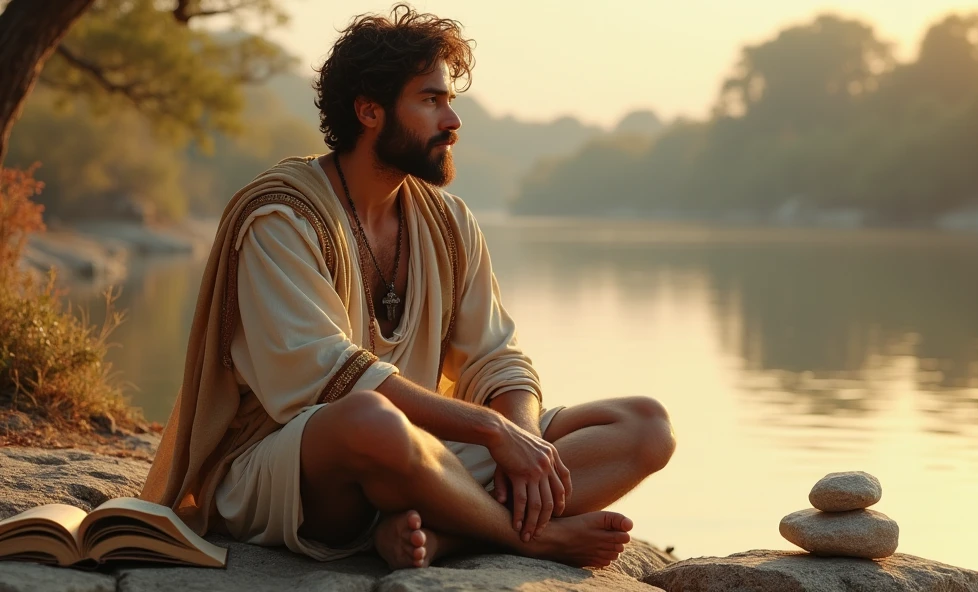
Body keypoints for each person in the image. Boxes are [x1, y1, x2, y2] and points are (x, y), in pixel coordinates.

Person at [141, 4, 675, 571]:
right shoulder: (281, 216)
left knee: (645, 426)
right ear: (369, 111)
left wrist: (523, 442)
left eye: (450, 100)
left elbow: (497, 358)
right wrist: (490, 430)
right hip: (296, 468)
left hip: (419, 456)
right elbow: (328, 379)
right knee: (369, 418)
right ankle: (525, 537)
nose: (453, 121)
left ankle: (446, 534)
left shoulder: (448, 222)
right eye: (431, 100)